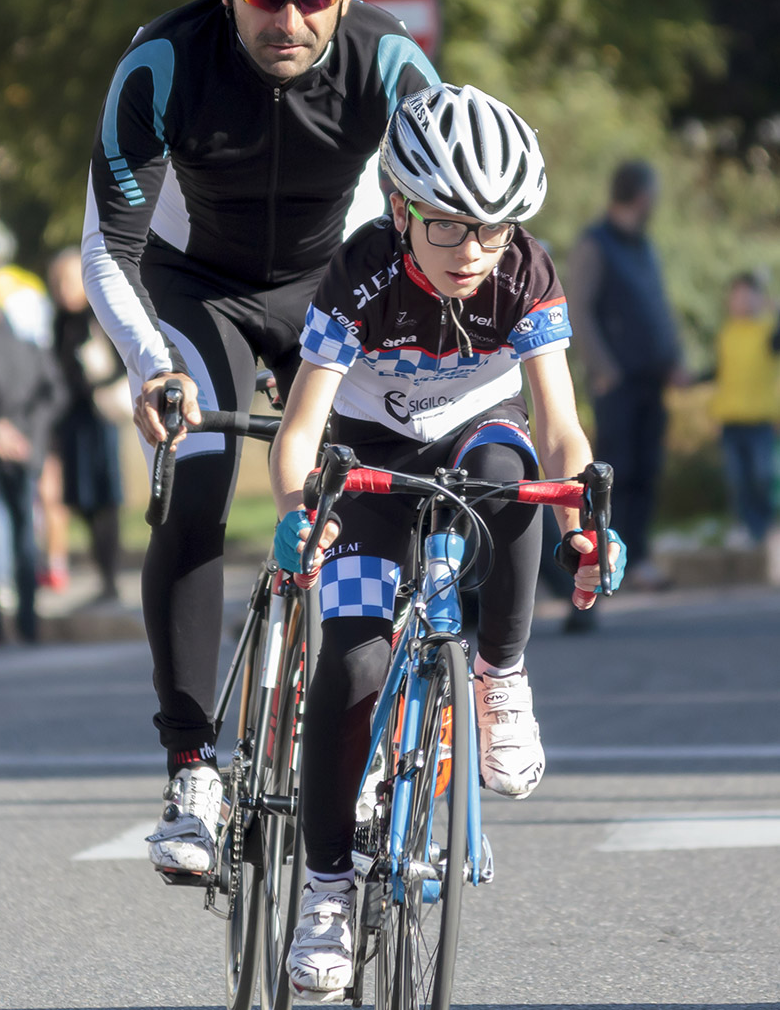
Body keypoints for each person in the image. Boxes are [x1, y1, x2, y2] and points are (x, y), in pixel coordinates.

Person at [80, 0, 438, 874]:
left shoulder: (391, 64)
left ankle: (371, 742)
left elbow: (444, 226)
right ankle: (192, 766)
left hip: (335, 283)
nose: (288, 18)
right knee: (197, 478)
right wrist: (152, 366)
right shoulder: (164, 62)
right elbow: (107, 248)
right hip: (199, 291)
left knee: (383, 486)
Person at [268, 83, 626, 999]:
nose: (472, 250)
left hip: (475, 438)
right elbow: (299, 432)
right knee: (352, 659)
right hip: (368, 461)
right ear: (400, 210)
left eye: (493, 229)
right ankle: (326, 893)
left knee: (514, 474)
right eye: (448, 226)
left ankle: (499, 678)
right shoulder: (360, 273)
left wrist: (581, 525)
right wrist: (300, 509)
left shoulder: (524, 272)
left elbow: (560, 428)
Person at [566, 160, 686, 597]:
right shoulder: (594, 244)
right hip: (617, 386)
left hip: (652, 380)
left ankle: (640, 561)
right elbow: (579, 310)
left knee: (647, 473)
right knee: (617, 474)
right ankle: (605, 559)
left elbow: (658, 308)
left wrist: (674, 359)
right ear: (642, 195)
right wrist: (605, 371)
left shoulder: (642, 245)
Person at [48, 248, 128, 602]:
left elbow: (120, 364)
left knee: (105, 497)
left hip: (100, 418)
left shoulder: (99, 315)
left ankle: (110, 579)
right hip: (72, 421)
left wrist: (94, 383)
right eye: (57, 282)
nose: (62, 288)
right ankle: (103, 576)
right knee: (80, 499)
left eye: (68, 280)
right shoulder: (58, 322)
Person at [0, 300, 65, 643]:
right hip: (24, 450)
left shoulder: (27, 347)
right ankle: (26, 624)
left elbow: (53, 394)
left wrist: (12, 433)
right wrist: (27, 438)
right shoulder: (29, 346)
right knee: (21, 535)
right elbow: (54, 394)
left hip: (19, 452)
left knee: (14, 535)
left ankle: (10, 625)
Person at [709, 271, 780, 546]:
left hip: (760, 420)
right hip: (731, 420)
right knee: (737, 479)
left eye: (749, 296)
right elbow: (720, 374)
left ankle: (762, 526)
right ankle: (744, 526)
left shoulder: (767, 333)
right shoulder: (726, 335)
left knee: (761, 476)